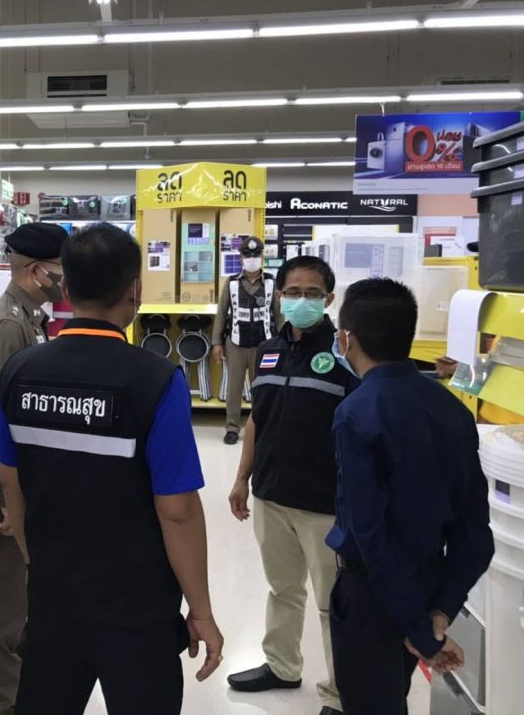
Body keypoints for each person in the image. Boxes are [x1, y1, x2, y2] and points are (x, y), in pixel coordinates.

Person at [0, 223, 224, 715]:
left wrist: (36, 561)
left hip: (53, 599)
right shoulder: (156, 380)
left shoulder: (21, 370)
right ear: (135, 291)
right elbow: (178, 510)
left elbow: (10, 479)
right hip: (137, 606)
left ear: (67, 288)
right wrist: (200, 610)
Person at [327, 278, 494, 715]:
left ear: (347, 339)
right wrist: (438, 612)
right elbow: (476, 534)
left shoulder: (357, 413)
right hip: (429, 581)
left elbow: (370, 536)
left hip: (372, 596)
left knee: (368, 703)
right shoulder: (452, 409)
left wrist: (419, 630)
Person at [227, 255, 357, 715]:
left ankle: (341, 694)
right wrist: (242, 478)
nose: (302, 301)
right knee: (282, 589)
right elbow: (256, 420)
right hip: (271, 496)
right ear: (279, 296)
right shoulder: (268, 350)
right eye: (294, 292)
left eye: (313, 293)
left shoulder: (345, 355)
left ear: (329, 299)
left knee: (331, 603)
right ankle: (282, 666)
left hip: (324, 503)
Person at [0, 221, 69, 715]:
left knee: (23, 594)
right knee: (3, 600)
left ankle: (18, 685)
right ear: (36, 271)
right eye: (59, 272)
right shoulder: (9, 325)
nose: (64, 281)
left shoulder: (29, 316)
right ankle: (1, 702)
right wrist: (7, 500)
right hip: (10, 487)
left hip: (25, 482)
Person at [212, 236, 278, 445]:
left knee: (262, 387)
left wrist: (282, 343)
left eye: (256, 254)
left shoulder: (272, 282)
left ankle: (260, 427)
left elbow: (279, 314)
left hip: (264, 345)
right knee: (234, 388)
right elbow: (221, 312)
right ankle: (232, 428)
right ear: (241, 258)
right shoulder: (231, 282)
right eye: (247, 255)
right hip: (235, 343)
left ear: (262, 257)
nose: (252, 258)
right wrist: (216, 343)